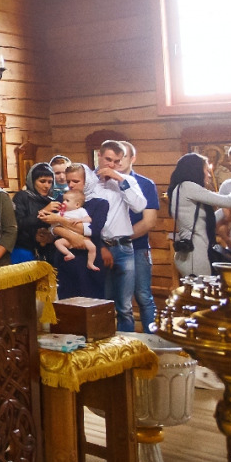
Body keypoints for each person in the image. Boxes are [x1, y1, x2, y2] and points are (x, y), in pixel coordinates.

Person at [94, 141, 148, 331]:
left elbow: (140, 206)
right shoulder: (89, 182)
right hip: (101, 247)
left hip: (124, 247)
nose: (112, 165)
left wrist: (120, 180)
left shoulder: (127, 180)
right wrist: (100, 246)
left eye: (117, 161)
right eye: (108, 160)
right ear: (99, 156)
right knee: (104, 303)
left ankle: (128, 350)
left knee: (125, 306)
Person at [167, 152, 231, 277]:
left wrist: (225, 211)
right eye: (206, 170)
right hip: (195, 255)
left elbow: (206, 222)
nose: (209, 175)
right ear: (196, 170)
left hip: (191, 254)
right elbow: (229, 201)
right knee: (200, 294)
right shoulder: (188, 186)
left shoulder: (181, 188)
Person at [56, 165, 111, 300]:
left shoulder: (100, 203)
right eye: (68, 181)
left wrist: (60, 222)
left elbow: (94, 230)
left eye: (76, 181)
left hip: (88, 259)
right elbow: (52, 228)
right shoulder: (62, 200)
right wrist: (60, 227)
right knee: (66, 303)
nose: (71, 185)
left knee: (91, 301)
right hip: (66, 260)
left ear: (87, 181)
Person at [122, 142, 162, 328]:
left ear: (132, 159)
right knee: (120, 300)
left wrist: (121, 237)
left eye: (123, 156)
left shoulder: (145, 184)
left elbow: (149, 221)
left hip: (137, 248)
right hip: (110, 249)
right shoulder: (104, 184)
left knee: (143, 295)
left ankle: (152, 339)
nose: (118, 161)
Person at [11, 163, 56, 264]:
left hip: (46, 251)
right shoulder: (22, 196)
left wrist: (50, 237)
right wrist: (44, 211)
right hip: (23, 249)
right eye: (42, 181)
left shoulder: (51, 201)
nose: (46, 186)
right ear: (32, 181)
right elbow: (17, 224)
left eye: (50, 182)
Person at [50, 189, 99, 269]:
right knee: (58, 243)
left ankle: (90, 263)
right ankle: (69, 254)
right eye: (63, 200)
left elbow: (89, 219)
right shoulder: (61, 213)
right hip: (67, 238)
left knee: (92, 247)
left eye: (67, 200)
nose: (64, 202)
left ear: (77, 204)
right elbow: (53, 221)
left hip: (82, 238)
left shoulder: (80, 211)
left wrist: (80, 220)